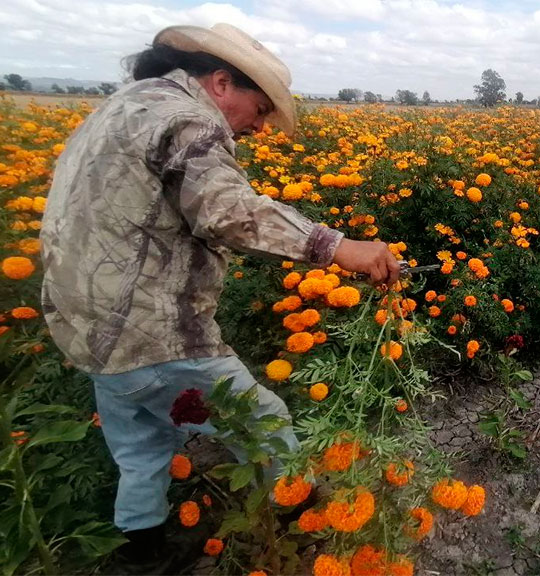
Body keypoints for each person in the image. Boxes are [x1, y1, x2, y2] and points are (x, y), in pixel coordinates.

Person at [39, 23, 400, 571]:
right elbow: (228, 210)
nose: (258, 129)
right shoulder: (184, 118)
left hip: (88, 325)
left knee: (141, 445)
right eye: (258, 111)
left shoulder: (123, 108)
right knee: (264, 423)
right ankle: (301, 529)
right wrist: (336, 245)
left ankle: (142, 551)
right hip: (149, 330)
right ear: (222, 82)